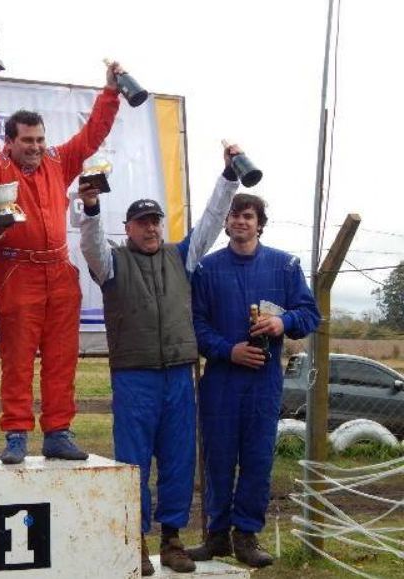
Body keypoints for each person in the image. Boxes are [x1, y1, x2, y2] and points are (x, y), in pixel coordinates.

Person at [78, 146, 240, 576]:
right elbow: (91, 244)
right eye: (142, 223)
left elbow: (209, 222)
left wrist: (229, 176)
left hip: (178, 376)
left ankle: (172, 540)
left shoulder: (180, 256)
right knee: (133, 461)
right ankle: (134, 540)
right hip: (134, 377)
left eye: (155, 222)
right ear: (127, 228)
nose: (150, 229)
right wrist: (91, 208)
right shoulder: (111, 262)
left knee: (178, 458)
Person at [0, 62, 123, 464]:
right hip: (18, 270)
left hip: (60, 272)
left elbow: (92, 135)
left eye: (39, 139)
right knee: (17, 358)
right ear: (10, 143)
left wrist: (110, 93)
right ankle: (16, 434)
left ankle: (58, 431)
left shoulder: (58, 162)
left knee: (61, 357)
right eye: (27, 140)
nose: (35, 146)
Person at [189, 193, 319, 568]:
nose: (241, 221)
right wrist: (229, 350)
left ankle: (246, 536)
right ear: (226, 223)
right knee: (217, 459)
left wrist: (283, 322)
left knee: (257, 460)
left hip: (263, 382)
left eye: (248, 216)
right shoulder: (206, 270)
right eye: (234, 215)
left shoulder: (285, 267)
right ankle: (216, 536)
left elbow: (310, 313)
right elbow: (196, 325)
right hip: (221, 380)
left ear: (260, 223)